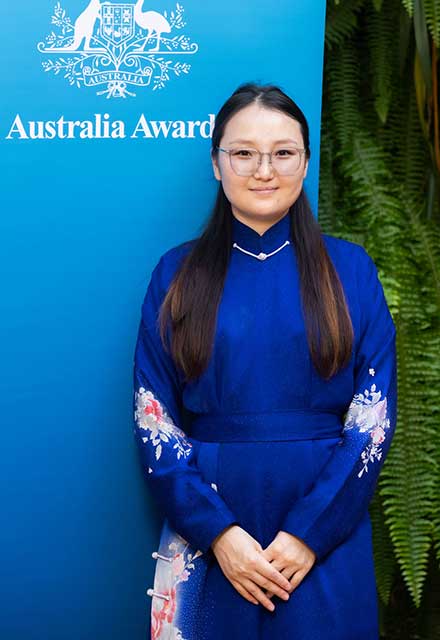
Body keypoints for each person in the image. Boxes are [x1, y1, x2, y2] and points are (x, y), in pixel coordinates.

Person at [132, 82, 397, 640]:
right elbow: (153, 419)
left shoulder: (351, 270)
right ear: (216, 163)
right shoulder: (175, 275)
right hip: (206, 532)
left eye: (283, 152)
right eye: (243, 153)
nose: (264, 170)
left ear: (305, 162)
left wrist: (309, 534)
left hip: (326, 534)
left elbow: (372, 423)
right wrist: (219, 535)